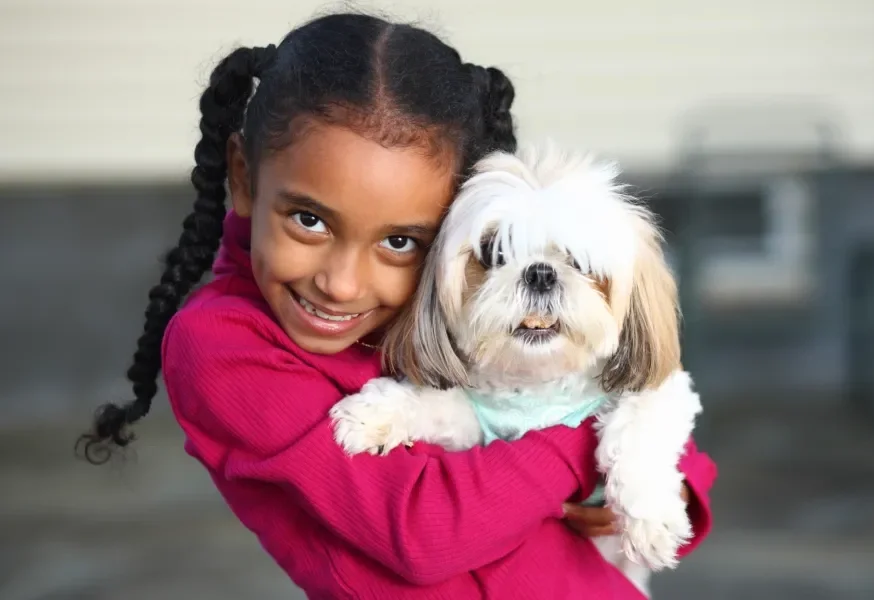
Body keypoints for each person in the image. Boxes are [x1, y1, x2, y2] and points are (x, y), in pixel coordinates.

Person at [79, 12, 716, 600]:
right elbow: (422, 531)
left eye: (400, 240)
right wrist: (585, 441)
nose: (344, 283)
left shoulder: (448, 289)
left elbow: (669, 447)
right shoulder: (221, 347)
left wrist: (657, 477)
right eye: (309, 219)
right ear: (244, 178)